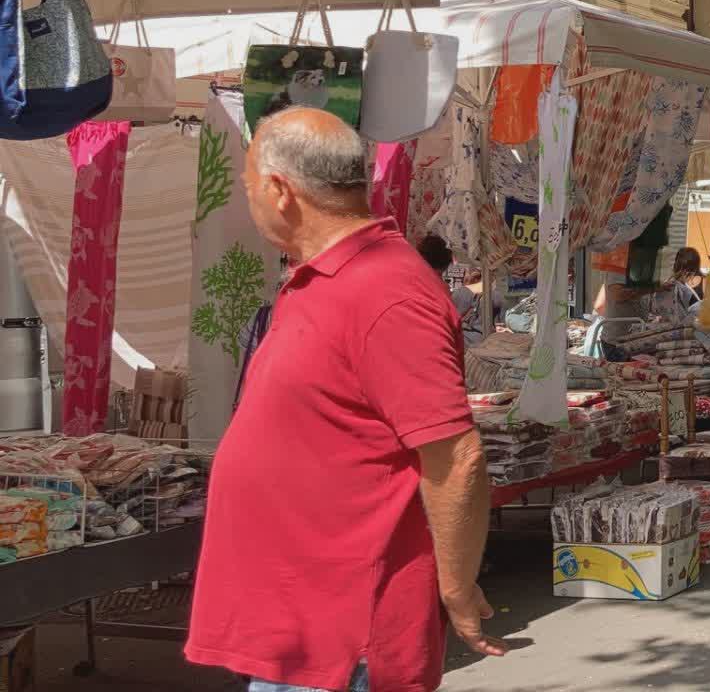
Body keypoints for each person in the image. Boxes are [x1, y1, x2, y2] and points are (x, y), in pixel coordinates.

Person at [187, 109, 507, 692]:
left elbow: (455, 457)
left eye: (248, 187)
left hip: (340, 640)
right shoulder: (323, 277)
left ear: (281, 191)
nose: (248, 200)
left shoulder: (386, 291)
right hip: (296, 623)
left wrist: (457, 586)